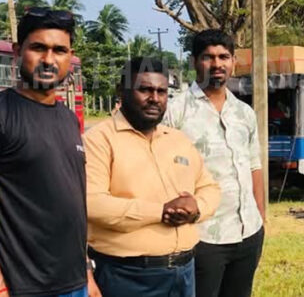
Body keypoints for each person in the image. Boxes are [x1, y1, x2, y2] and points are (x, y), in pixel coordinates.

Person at [0, 7, 98, 297]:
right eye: (38, 48)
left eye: (59, 50)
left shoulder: (68, 119)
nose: (49, 60)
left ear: (70, 56)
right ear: (18, 51)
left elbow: (70, 209)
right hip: (20, 289)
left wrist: (86, 274)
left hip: (75, 285)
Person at [84, 57, 221, 297]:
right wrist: (160, 212)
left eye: (161, 91)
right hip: (127, 277)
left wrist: (196, 207)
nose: (154, 98)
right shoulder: (99, 140)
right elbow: (92, 203)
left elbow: (210, 187)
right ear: (121, 91)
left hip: (184, 272)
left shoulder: (178, 139)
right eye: (144, 90)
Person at [165, 30, 266, 297]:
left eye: (224, 57)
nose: (217, 64)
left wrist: (261, 219)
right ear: (194, 61)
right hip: (203, 237)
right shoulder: (176, 111)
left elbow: (254, 166)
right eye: (208, 57)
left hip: (248, 232)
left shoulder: (244, 112)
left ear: (233, 61)